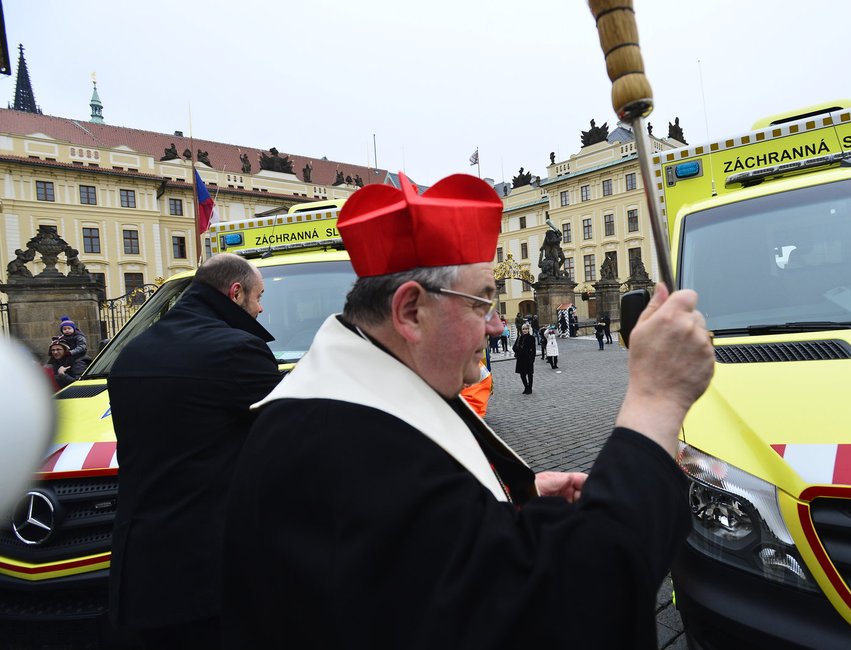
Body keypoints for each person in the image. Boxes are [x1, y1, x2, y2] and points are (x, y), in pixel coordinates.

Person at [222, 171, 714, 649]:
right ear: (411, 312)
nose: (495, 328)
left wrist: (513, 494)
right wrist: (655, 401)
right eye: (481, 303)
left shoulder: (344, 402)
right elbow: (566, 604)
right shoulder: (348, 455)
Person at [107, 253, 282, 649]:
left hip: (140, 560)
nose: (261, 307)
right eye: (258, 297)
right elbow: (283, 440)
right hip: (208, 565)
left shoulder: (135, 349)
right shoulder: (237, 350)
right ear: (235, 293)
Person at [513, 322, 537, 394]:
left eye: (526, 329)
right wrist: (519, 349)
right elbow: (514, 347)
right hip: (521, 359)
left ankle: (530, 388)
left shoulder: (531, 338)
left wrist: (532, 359)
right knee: (522, 374)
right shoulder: (519, 337)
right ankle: (526, 387)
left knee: (529, 374)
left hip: (528, 359)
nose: (524, 330)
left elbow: (534, 350)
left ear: (528, 329)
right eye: (523, 329)